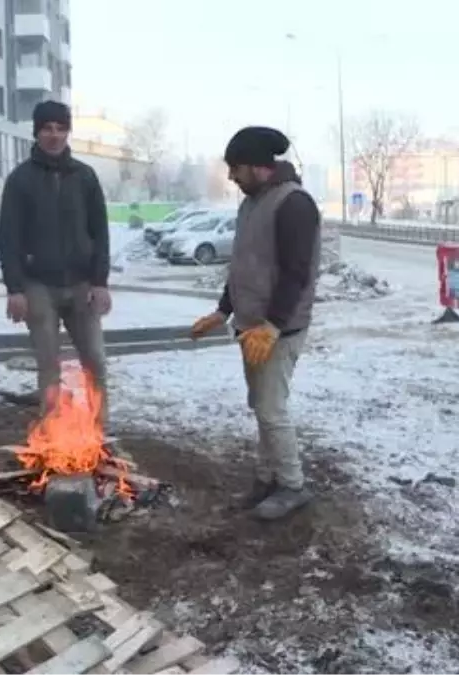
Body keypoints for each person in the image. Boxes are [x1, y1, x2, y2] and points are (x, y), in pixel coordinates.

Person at [191, 126, 321, 521]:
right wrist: (223, 310)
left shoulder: (294, 204)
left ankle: (293, 486)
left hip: (279, 329)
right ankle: (267, 478)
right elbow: (244, 266)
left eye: (237, 168)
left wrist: (274, 325)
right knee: (260, 406)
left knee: (271, 408)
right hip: (251, 327)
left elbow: (297, 274)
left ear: (261, 167)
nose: (231, 177)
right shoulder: (251, 204)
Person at [0, 100, 112, 424]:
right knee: (49, 364)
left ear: (68, 132)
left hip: (81, 285)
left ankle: (98, 432)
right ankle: (51, 435)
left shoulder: (85, 177)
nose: (54, 135)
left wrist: (100, 281)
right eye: (47, 128)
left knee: (95, 361)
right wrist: (15, 288)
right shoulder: (20, 180)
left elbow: (100, 232)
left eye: (61, 128)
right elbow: (9, 238)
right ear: (37, 133)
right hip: (38, 286)